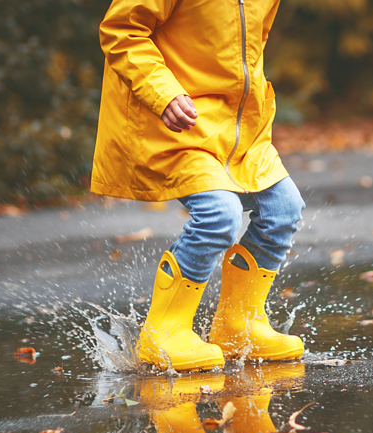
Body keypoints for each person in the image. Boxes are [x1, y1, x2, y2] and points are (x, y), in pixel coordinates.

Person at [92, 0, 305, 372]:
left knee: (283, 209)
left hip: (239, 126)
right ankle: (163, 333)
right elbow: (121, 31)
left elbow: (249, 46)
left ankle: (239, 327)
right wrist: (163, 93)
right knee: (219, 216)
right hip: (177, 118)